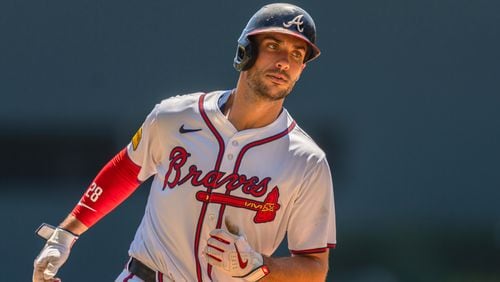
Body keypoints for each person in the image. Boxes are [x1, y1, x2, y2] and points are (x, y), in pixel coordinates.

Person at [33, 3, 336, 282]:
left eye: (297, 54)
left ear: (302, 69)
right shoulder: (175, 116)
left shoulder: (307, 160)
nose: (284, 62)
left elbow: (314, 268)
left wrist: (258, 265)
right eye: (273, 46)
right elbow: (126, 170)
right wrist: (64, 235)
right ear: (246, 50)